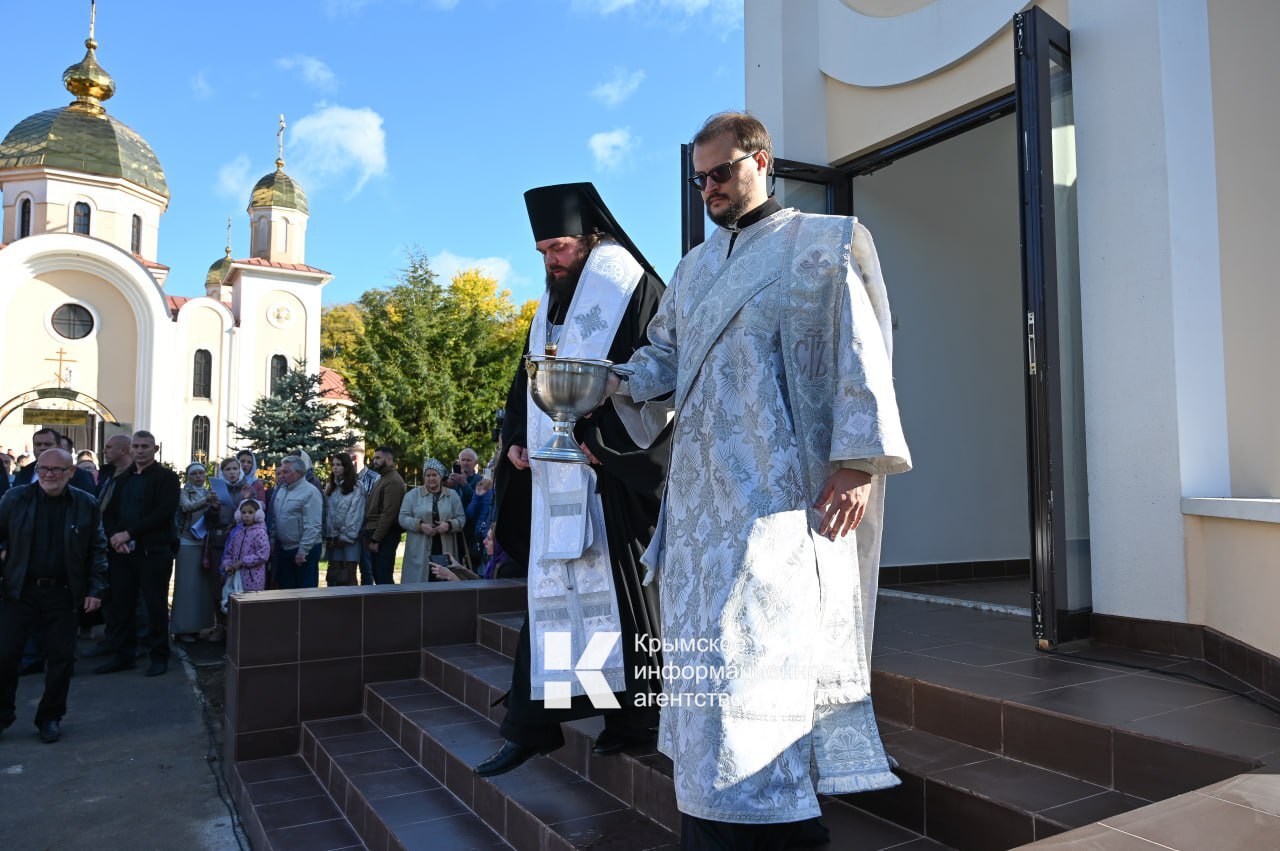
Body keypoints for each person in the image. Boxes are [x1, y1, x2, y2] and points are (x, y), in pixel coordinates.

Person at [607, 112, 912, 848]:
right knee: (707, 684)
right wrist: (600, 381)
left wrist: (856, 463)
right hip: (701, 505)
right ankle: (708, 827)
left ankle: (780, 828)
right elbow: (662, 361)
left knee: (758, 672)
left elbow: (859, 353)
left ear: (761, 160)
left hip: (779, 502)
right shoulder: (694, 267)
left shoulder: (822, 242)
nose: (709, 188)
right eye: (699, 179)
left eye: (722, 172)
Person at [474, 182, 672, 778]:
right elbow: (528, 378)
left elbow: (658, 374)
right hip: (553, 480)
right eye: (543, 253)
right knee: (554, 602)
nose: (551, 262)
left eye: (558, 248)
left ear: (589, 238)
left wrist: (598, 442)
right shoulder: (551, 301)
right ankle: (536, 725)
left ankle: (631, 719)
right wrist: (514, 438)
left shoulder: (630, 286)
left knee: (623, 604)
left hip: (608, 479)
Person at [0, 448, 108, 743]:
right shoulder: (15, 499)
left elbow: (97, 548)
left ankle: (50, 717)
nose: (48, 474)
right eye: (43, 468)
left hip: (63, 592)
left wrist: (95, 589)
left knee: (61, 659)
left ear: (71, 473)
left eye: (56, 470)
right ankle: (2, 715)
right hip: (19, 590)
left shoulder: (85, 504)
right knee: (6, 655)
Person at [95, 430, 181, 678]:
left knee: (155, 607)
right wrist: (114, 536)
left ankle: (159, 657)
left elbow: (163, 512)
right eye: (137, 446)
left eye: (145, 446)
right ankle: (123, 656)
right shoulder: (123, 479)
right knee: (122, 606)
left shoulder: (167, 478)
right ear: (131, 449)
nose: (140, 450)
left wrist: (129, 533)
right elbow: (109, 512)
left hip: (154, 553)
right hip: (122, 553)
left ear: (155, 449)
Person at [398, 459, 465, 584]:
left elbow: (461, 518)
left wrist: (449, 525)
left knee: (444, 582)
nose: (431, 478)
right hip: (419, 548)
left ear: (440, 477)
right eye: (428, 475)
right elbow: (403, 518)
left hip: (445, 546)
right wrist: (420, 525)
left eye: (434, 475)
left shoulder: (452, 495)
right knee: (420, 582)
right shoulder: (412, 495)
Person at [173, 462, 218, 643]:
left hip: (204, 543)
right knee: (186, 587)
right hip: (187, 542)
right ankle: (183, 628)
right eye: (195, 474)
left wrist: (215, 507)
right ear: (189, 477)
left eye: (201, 473)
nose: (199, 477)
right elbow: (186, 507)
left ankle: (202, 625)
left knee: (202, 588)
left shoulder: (209, 493)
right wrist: (206, 502)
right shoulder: (184, 492)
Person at [269, 456, 324, 589]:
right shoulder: (282, 490)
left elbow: (313, 524)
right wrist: (272, 540)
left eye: (285, 472)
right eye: (280, 472)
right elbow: (276, 518)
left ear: (298, 473)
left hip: (304, 551)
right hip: (284, 549)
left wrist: (303, 551)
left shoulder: (310, 492)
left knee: (305, 592)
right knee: (287, 591)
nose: (281, 475)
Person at [360, 446, 406, 585]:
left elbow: (389, 513)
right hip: (375, 532)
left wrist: (376, 539)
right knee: (377, 574)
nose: (375, 461)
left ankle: (390, 605)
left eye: (378, 458)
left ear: (389, 459)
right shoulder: (383, 478)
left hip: (384, 535)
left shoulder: (393, 481)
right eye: (374, 458)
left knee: (383, 576)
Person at [324, 452, 365, 587]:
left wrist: (345, 536)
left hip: (349, 539)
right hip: (334, 539)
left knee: (349, 574)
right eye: (333, 465)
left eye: (339, 465)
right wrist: (329, 536)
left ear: (346, 467)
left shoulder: (357, 487)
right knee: (334, 574)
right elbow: (327, 513)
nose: (335, 468)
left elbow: (355, 515)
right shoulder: (331, 487)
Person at [221, 499, 270, 593]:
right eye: (243, 512)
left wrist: (242, 562)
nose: (246, 515)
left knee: (250, 606)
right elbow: (229, 553)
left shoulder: (260, 532)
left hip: (253, 582)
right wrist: (227, 565)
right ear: (239, 514)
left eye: (250, 512)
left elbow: (263, 555)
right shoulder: (237, 533)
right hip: (235, 579)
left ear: (258, 515)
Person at [463, 477, 494, 566]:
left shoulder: (501, 490)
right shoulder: (484, 490)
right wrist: (477, 495)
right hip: (480, 539)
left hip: (493, 539)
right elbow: (470, 513)